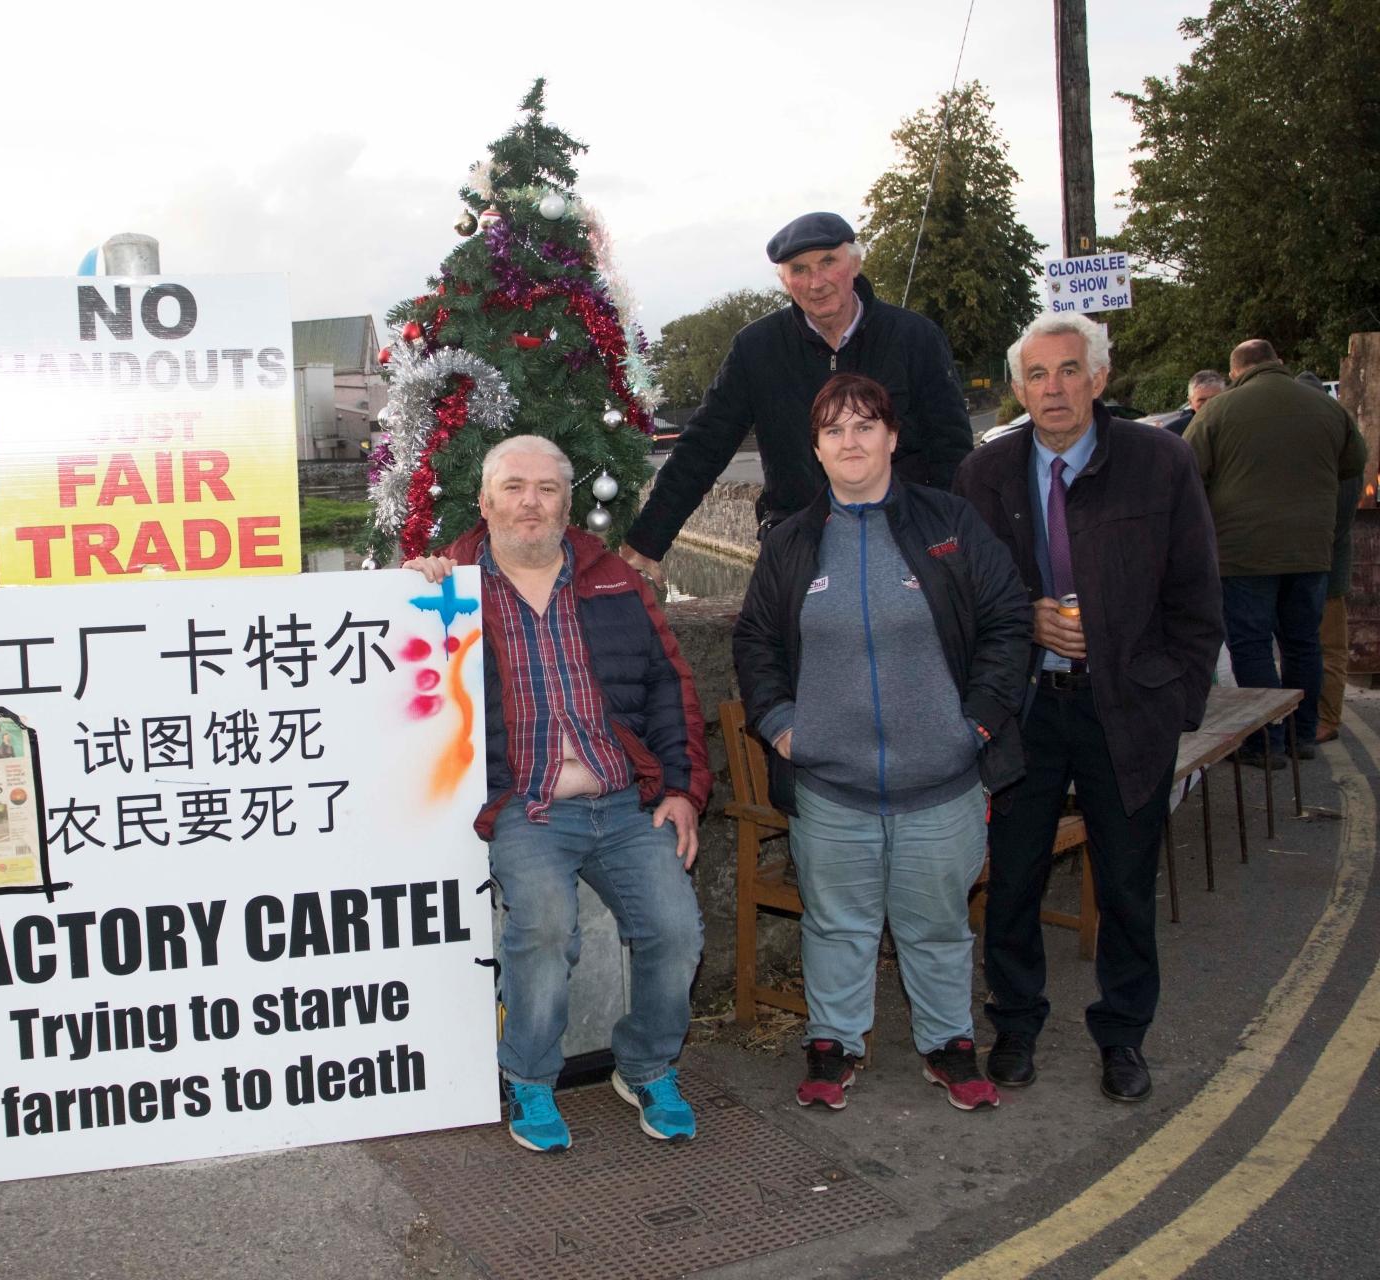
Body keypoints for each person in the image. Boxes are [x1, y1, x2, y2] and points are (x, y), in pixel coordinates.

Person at [731, 374, 1030, 1112]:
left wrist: (978, 725)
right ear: (817, 448)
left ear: (893, 437)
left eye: (866, 425)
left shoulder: (948, 524)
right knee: (837, 923)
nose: (852, 441)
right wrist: (781, 727)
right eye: (834, 430)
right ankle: (833, 1043)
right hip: (833, 786)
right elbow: (755, 642)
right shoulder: (794, 542)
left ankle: (948, 1045)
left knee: (937, 924)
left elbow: (1007, 622)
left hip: (944, 778)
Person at [404, 435, 710, 1152]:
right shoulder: (448, 586)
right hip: (527, 806)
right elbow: (396, 684)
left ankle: (647, 1065)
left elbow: (671, 684)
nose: (530, 501)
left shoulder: (612, 578)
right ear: (484, 501)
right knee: (542, 929)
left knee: (676, 930)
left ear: (569, 503)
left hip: (622, 798)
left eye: (547, 487)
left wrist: (683, 789)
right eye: (513, 486)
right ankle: (531, 1080)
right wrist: (409, 585)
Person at [953, 312, 1223, 1104]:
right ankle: (1016, 1026)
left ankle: (1124, 1036)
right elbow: (964, 597)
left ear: (1099, 379)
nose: (1053, 389)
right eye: (1037, 375)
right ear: (1017, 389)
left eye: (1069, 371)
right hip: (1028, 709)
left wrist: (1175, 698)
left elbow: (1197, 595)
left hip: (1127, 708)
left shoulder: (1161, 462)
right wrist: (1024, 613)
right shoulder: (986, 473)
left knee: (1129, 882)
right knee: (1014, 880)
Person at [621, 211, 971, 578]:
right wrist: (647, 541)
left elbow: (952, 451)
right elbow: (704, 447)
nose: (816, 281)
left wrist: (952, 543)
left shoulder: (914, 337)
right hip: (801, 547)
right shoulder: (757, 349)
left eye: (827, 262)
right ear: (784, 281)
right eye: (799, 270)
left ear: (854, 264)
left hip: (905, 544)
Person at [1184, 340, 1364, 762]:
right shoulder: (1328, 408)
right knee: (1304, 644)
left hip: (1245, 552)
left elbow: (1185, 467)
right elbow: (1354, 462)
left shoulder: (1219, 410)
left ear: (1235, 372)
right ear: (1278, 363)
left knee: (1251, 645)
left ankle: (1267, 742)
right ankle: (1302, 735)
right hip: (1311, 549)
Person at [1301, 373, 1368, 743]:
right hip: (1313, 561)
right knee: (1313, 644)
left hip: (1324, 564)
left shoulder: (1337, 447)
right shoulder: (1335, 442)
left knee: (1328, 645)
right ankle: (1319, 715)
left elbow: (1341, 515)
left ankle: (1327, 717)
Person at [1159, 370, 1226, 436]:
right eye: (1202, 400)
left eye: (1215, 398)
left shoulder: (1234, 425)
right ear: (1190, 402)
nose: (1208, 404)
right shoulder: (1173, 433)